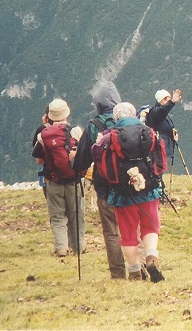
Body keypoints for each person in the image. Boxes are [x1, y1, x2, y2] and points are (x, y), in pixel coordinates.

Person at [72, 81, 127, 279]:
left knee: (111, 231)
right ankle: (139, 268)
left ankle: (118, 273)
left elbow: (82, 160)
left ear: (99, 104)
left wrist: (76, 168)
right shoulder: (129, 120)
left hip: (105, 186)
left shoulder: (94, 126)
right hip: (131, 185)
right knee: (132, 228)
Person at [105, 102, 165, 282]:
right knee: (150, 226)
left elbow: (101, 161)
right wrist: (155, 177)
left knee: (128, 233)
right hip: (148, 189)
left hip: (122, 193)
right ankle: (151, 257)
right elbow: (160, 159)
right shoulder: (149, 132)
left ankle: (134, 272)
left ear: (116, 118)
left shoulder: (110, 136)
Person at [31, 99, 85, 258]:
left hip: (53, 181)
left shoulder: (43, 135)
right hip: (74, 180)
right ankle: (78, 247)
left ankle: (61, 247)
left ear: (50, 116)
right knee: (76, 214)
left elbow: (39, 160)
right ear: (67, 113)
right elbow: (84, 154)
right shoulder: (75, 131)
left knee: (57, 216)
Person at [144, 88, 182, 167]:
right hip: (157, 147)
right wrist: (172, 102)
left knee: (161, 168)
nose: (168, 103)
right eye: (167, 100)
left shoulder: (164, 115)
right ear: (161, 100)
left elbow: (165, 128)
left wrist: (173, 135)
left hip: (163, 146)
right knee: (157, 168)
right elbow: (162, 111)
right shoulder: (155, 113)